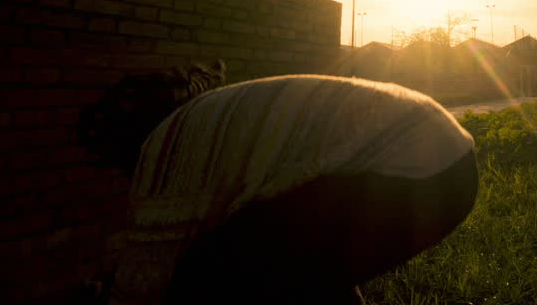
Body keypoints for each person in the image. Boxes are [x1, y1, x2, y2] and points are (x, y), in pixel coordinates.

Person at [79, 63, 478, 304]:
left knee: (206, 273)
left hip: (413, 171)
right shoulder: (205, 122)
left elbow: (150, 272)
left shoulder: (162, 147)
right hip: (446, 162)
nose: (123, 176)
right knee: (283, 271)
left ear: (127, 141)